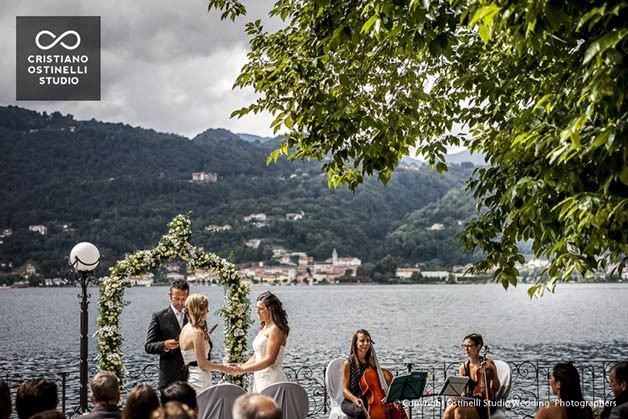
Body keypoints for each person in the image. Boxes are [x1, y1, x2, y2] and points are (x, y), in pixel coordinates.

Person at [233, 291, 289, 392]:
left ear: (270, 310)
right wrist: (240, 368)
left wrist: (243, 370)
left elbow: (269, 360)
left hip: (271, 379)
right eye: (256, 308)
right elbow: (256, 357)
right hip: (259, 379)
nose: (257, 311)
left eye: (260, 309)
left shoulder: (276, 329)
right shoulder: (263, 328)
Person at [178, 293, 230, 393]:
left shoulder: (185, 329)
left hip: (190, 377)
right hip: (200, 380)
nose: (208, 311)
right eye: (206, 308)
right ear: (200, 310)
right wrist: (223, 368)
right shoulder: (197, 332)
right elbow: (203, 364)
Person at [443, 333, 500, 419]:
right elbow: (464, 392)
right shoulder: (463, 367)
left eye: (469, 346)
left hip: (485, 402)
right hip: (470, 400)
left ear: (478, 347)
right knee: (448, 412)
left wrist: (492, 369)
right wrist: (458, 399)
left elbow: (496, 388)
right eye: (464, 345)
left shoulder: (488, 363)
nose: (466, 349)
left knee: (460, 411)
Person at [145, 279, 190, 389]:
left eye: (184, 299)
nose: (180, 302)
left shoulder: (194, 316)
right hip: (169, 379)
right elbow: (148, 346)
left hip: (192, 378)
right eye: (177, 299)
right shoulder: (159, 317)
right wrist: (164, 345)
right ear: (170, 296)